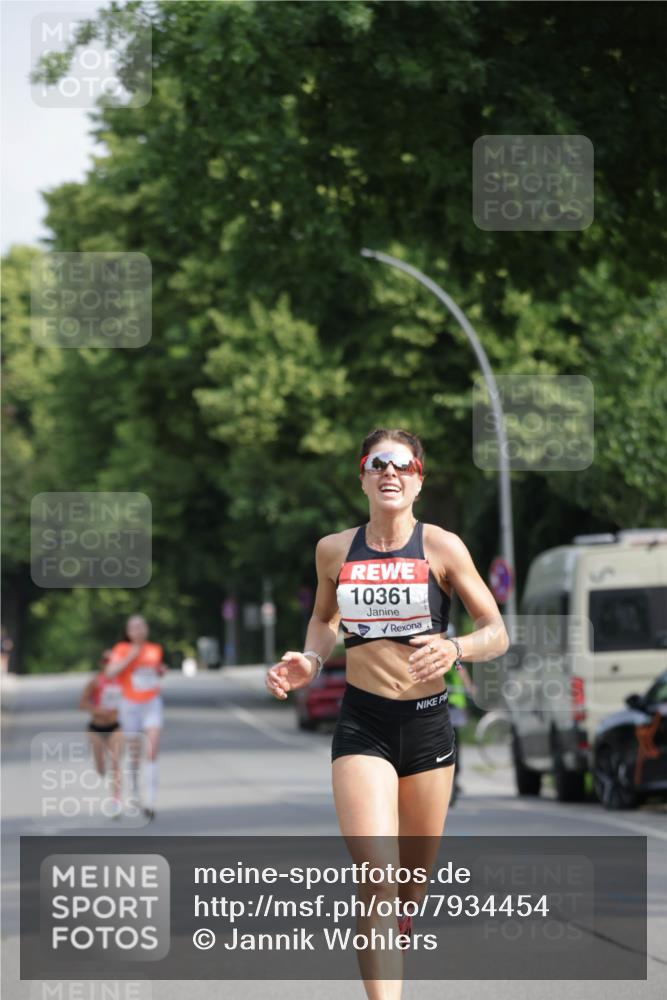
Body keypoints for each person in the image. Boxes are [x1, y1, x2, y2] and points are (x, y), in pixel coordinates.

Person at [266, 428, 509, 999]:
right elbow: (324, 620)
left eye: (402, 465)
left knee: (409, 888)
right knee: (377, 878)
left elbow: (495, 630)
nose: (390, 473)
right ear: (363, 478)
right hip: (364, 725)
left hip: (427, 725)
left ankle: (402, 915)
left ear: (419, 480)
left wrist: (455, 648)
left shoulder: (442, 547)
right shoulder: (334, 550)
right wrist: (310, 659)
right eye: (378, 464)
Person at [104, 615, 167, 821]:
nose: (138, 630)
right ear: (128, 632)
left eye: (141, 626)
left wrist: (160, 671)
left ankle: (150, 801)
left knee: (152, 750)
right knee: (133, 752)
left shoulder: (155, 649)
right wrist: (131, 656)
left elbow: (154, 672)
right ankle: (134, 789)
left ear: (146, 629)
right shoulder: (121, 649)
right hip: (130, 705)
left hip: (151, 703)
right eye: (134, 627)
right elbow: (110, 672)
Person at [79, 649, 123, 818]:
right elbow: (82, 703)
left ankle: (115, 800)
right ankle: (101, 769)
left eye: (113, 662)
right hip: (96, 728)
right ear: (102, 664)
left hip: (115, 727)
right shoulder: (95, 682)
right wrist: (98, 710)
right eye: (106, 662)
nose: (110, 665)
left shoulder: (123, 681)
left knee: (115, 763)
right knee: (100, 768)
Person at [442, 654, 476, 805]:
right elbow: (461, 671)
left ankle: (455, 776)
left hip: (453, 703)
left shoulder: (452, 657)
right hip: (447, 702)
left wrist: (469, 688)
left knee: (454, 742)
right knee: (452, 741)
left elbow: (461, 670)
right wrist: (469, 687)